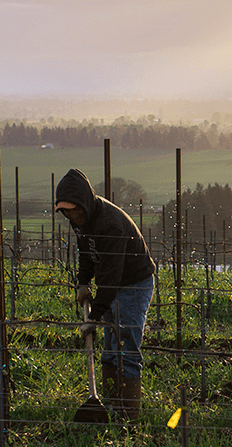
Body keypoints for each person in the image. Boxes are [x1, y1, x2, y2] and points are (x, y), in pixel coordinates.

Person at [56, 168, 157, 421]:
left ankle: (129, 417)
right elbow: (86, 251)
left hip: (133, 284)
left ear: (85, 202)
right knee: (110, 351)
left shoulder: (110, 225)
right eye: (65, 210)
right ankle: (111, 408)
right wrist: (82, 283)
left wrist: (95, 316)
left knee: (126, 348)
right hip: (112, 283)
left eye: (74, 208)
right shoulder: (80, 220)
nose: (71, 215)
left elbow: (112, 277)